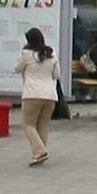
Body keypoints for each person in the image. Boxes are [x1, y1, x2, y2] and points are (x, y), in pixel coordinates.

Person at [14, 28, 59, 165]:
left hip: (32, 94)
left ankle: (39, 151)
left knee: (28, 124)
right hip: (50, 95)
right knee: (43, 126)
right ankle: (40, 154)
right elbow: (57, 75)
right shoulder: (51, 53)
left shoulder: (27, 54)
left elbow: (17, 68)